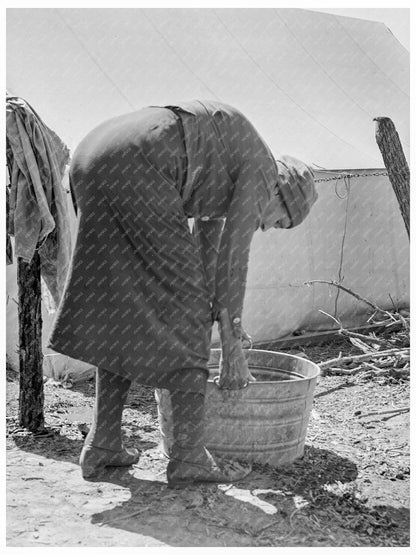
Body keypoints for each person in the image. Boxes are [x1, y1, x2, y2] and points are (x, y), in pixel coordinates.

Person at [47, 100, 317, 486]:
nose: (269, 227)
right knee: (186, 312)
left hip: (94, 158)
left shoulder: (228, 162)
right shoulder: (261, 169)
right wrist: (231, 346)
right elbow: (233, 260)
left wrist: (217, 312)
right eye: (280, 221)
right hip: (138, 165)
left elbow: (208, 251)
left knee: (123, 308)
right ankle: (189, 456)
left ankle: (103, 443)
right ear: (281, 193)